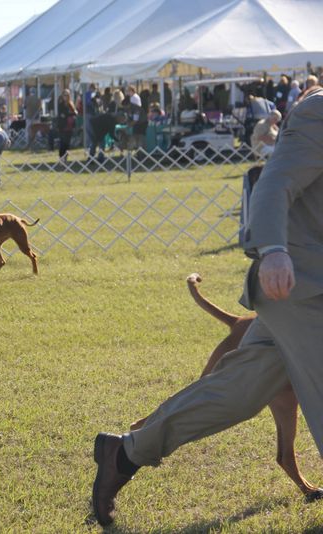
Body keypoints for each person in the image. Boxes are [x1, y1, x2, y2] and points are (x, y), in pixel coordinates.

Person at [91, 85, 323, 527]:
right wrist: (273, 248)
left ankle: (125, 452)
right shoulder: (319, 111)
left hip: (303, 290)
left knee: (235, 393)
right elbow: (274, 182)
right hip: (298, 285)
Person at [54, 89, 77, 161]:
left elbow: (74, 112)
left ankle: (65, 157)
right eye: (64, 95)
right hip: (63, 126)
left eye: (67, 95)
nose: (65, 96)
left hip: (70, 126)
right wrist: (71, 114)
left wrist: (72, 114)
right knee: (62, 143)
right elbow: (63, 114)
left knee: (68, 143)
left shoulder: (71, 104)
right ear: (62, 96)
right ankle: (61, 157)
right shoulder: (61, 104)